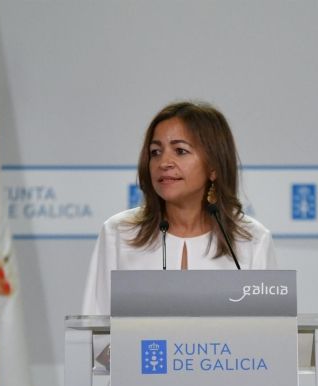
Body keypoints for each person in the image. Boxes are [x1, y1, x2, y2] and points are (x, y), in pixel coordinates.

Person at [82, 101, 277, 315]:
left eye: (180, 151)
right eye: (156, 152)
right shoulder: (119, 233)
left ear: (213, 167)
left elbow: (270, 331)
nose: (164, 162)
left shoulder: (252, 240)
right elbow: (95, 325)